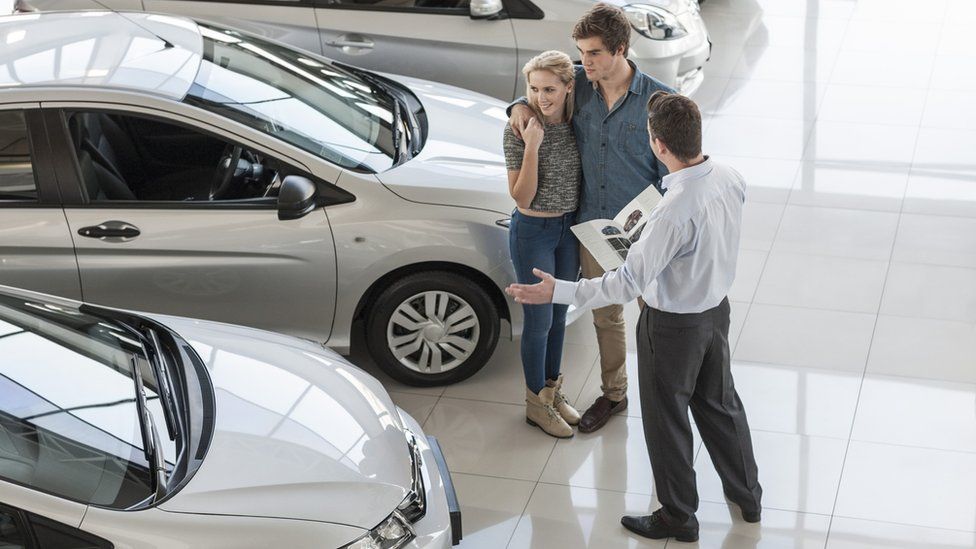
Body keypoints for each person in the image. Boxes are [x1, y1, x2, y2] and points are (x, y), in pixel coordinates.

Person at [505, 91, 763, 542]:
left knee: (667, 421)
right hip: (715, 315)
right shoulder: (729, 176)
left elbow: (627, 283)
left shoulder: (673, 211)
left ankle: (679, 517)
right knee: (721, 405)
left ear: (658, 146)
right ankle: (749, 494)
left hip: (672, 327)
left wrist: (559, 290)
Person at [509, 2, 673, 433]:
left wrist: (646, 226)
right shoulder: (579, 85)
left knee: (656, 315)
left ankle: (666, 397)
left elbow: (672, 176)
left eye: (594, 53)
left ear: (620, 49)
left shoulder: (658, 102)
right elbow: (540, 92)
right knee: (606, 314)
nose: (585, 62)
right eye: (581, 52)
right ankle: (614, 395)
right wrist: (517, 108)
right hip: (590, 228)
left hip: (645, 232)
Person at [504, 50, 582, 438]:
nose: (541, 98)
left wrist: (518, 105)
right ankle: (536, 404)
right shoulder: (519, 129)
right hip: (533, 232)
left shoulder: (577, 115)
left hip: (568, 231)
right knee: (539, 321)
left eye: (550, 89)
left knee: (560, 316)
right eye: (532, 90)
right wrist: (532, 145)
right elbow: (522, 197)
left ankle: (552, 391)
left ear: (570, 87)